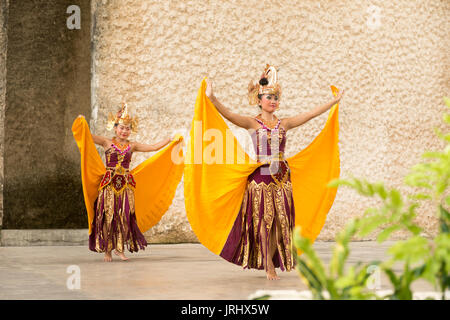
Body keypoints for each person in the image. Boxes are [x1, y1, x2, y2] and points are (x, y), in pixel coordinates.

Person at [202, 65, 344, 279]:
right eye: (269, 96)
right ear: (259, 99)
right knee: (263, 221)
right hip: (260, 179)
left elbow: (309, 115)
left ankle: (270, 257)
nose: (274, 101)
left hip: (282, 179)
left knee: (281, 222)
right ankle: (267, 263)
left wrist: (333, 102)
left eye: (276, 97)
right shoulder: (252, 123)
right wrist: (212, 99)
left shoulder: (284, 124)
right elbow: (228, 115)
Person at [74, 102, 178, 262]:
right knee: (109, 217)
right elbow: (86, 136)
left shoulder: (133, 145)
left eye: (127, 128)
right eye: (121, 127)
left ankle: (120, 249)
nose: (124, 131)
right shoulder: (106, 142)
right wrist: (81, 122)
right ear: (115, 128)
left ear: (131, 130)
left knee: (123, 217)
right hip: (108, 187)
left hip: (125, 187)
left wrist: (171, 139)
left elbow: (153, 147)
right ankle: (107, 251)